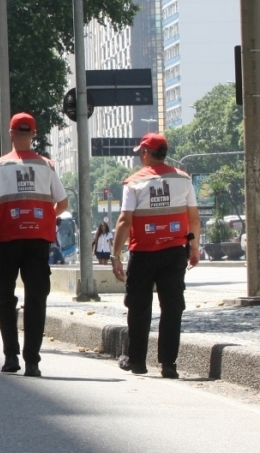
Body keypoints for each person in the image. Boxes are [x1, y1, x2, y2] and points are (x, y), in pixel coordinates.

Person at [0, 112, 68, 378]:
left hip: (7, 240)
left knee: (5, 297)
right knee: (36, 298)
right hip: (38, 240)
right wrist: (44, 216)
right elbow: (62, 202)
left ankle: (10, 356)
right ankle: (32, 361)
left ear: (11, 134)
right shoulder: (47, 166)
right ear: (34, 135)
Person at [112, 132, 201, 379]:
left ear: (145, 153)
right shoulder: (184, 180)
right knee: (172, 307)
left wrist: (115, 256)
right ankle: (169, 364)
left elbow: (124, 221)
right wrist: (194, 249)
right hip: (174, 253)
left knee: (139, 307)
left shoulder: (134, 183)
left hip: (142, 252)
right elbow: (194, 219)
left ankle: (137, 361)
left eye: (141, 152)